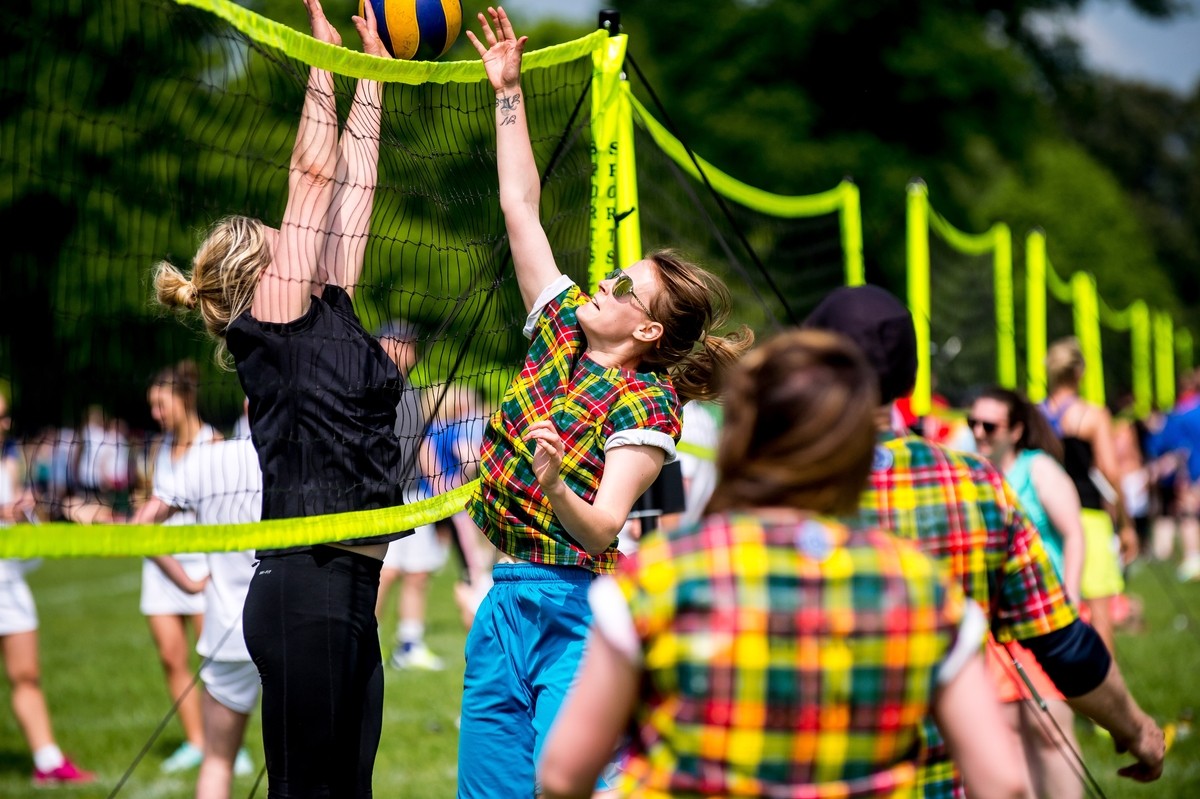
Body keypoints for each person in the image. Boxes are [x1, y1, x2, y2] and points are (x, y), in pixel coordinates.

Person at [457, 8, 753, 797]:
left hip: (575, 609)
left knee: (566, 788)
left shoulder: (648, 406)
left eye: (626, 286)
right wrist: (508, 93)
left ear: (647, 329)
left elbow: (602, 526)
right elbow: (520, 206)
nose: (606, 282)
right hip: (504, 599)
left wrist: (555, 482)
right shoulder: (557, 324)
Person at [539, 330, 1031, 799]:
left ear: (742, 438)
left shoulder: (661, 575)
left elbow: (564, 773)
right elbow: (1002, 783)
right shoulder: (919, 586)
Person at [152, 2, 406, 794]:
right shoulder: (272, 320)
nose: (292, 227)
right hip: (307, 587)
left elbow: (356, 183)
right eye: (277, 231)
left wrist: (370, 71)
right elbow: (313, 176)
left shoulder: (329, 306)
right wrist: (322, 62)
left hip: (350, 588)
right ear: (258, 273)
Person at [802, 285, 1164, 798]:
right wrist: (1136, 730)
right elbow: (1061, 642)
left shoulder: (777, 484)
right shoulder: (975, 484)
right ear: (909, 380)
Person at [969, 386, 1087, 799]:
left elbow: (1074, 534)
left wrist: (1069, 598)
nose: (978, 432)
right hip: (995, 623)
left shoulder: (1038, 470)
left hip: (1044, 615)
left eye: (989, 425)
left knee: (1050, 727)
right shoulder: (974, 473)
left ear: (1016, 430)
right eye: (972, 423)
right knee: (1008, 731)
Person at [135, 419, 261, 799]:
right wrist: (187, 583)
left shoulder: (206, 458)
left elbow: (140, 526)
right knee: (309, 770)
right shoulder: (310, 452)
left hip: (230, 631)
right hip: (299, 627)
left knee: (217, 763)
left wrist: (187, 583)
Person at [0, 392, 96, 787]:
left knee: (26, 674)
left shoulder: (8, 462)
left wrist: (24, 514)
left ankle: (48, 761)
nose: (5, 423)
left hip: (9, 582)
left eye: (6, 416)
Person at [128, 360, 217, 774]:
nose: (156, 413)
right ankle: (196, 741)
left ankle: (222, 743)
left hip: (203, 567)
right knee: (171, 658)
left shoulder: (214, 445)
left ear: (185, 399)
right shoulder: (155, 449)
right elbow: (144, 505)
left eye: (161, 404)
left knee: (212, 663)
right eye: (152, 406)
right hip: (160, 566)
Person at [1039, 337, 1137, 652]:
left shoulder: (1036, 415)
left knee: (1051, 612)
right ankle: (1106, 676)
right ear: (1079, 372)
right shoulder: (1091, 415)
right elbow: (1110, 471)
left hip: (1045, 517)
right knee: (1099, 613)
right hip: (1088, 518)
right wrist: (1125, 523)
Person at [374, 319, 450, 671]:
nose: (411, 350)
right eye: (404, 343)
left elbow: (421, 444)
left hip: (416, 495)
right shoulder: (372, 387)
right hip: (383, 498)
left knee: (418, 572)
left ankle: (410, 644)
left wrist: (441, 486)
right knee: (385, 574)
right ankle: (366, 640)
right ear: (387, 344)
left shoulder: (413, 392)